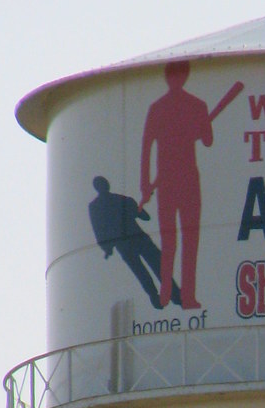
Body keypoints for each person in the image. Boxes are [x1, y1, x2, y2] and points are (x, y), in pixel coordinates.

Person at [139, 60, 212, 309]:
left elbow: (147, 147)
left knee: (175, 240)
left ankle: (171, 294)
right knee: (182, 240)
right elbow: (208, 139)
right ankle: (182, 296)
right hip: (180, 180)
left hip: (175, 180)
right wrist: (145, 184)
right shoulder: (196, 106)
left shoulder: (160, 108)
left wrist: (145, 184)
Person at [88, 175, 180, 309]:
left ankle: (158, 296)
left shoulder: (97, 206)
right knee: (155, 266)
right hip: (138, 238)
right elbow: (144, 216)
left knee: (142, 270)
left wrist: (107, 248)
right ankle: (172, 295)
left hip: (126, 243)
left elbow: (99, 229)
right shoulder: (121, 199)